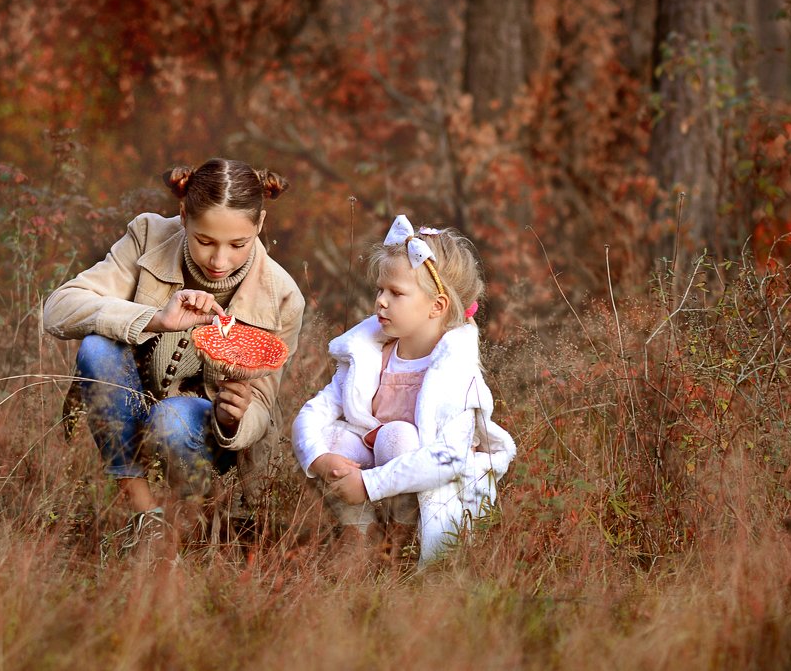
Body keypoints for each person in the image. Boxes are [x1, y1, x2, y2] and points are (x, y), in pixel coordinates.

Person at [44, 158, 305, 554]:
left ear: (260, 225)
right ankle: (144, 516)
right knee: (97, 348)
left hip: (201, 434)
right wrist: (154, 319)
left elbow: (264, 406)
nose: (219, 261)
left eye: (238, 245)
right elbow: (58, 309)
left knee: (173, 418)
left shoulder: (282, 295)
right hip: (134, 402)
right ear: (183, 215)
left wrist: (232, 418)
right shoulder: (149, 235)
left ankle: (192, 523)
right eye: (204, 241)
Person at [292, 214, 516, 567]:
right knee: (332, 437)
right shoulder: (371, 352)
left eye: (395, 293)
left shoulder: (456, 373)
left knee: (397, 434)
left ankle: (401, 540)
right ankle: (360, 534)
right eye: (380, 290)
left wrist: (368, 485)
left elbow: (449, 459)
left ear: (436, 307)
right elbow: (315, 410)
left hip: (425, 482)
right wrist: (319, 458)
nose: (380, 301)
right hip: (374, 464)